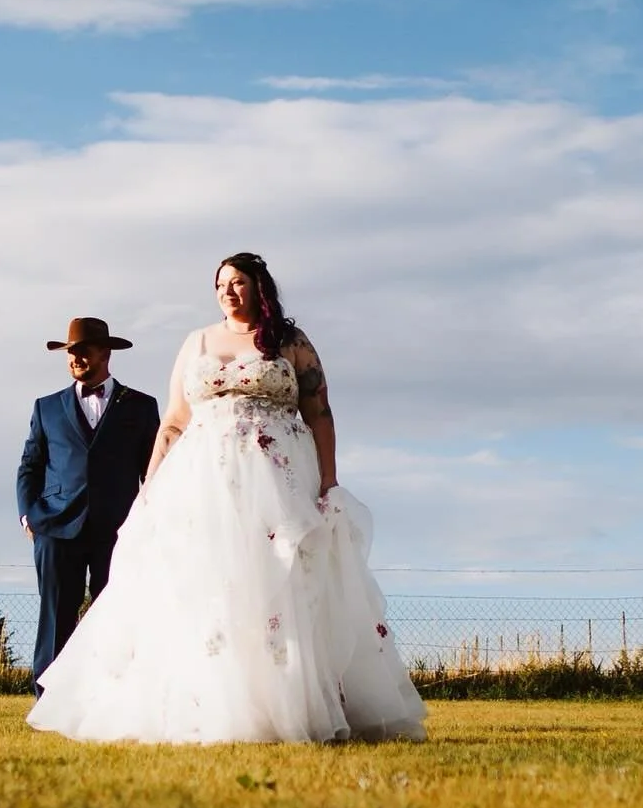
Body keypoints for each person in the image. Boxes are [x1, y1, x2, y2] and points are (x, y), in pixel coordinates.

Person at [27, 252, 425, 744]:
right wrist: (150, 488)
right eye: (220, 284)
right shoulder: (197, 342)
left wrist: (328, 482)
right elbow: (174, 420)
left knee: (278, 583)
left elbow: (320, 413)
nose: (228, 292)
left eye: (237, 282)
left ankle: (292, 704)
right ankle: (208, 705)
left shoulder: (291, 343)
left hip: (277, 481)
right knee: (207, 583)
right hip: (204, 481)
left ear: (259, 287)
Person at [16, 316, 160, 693]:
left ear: (106, 352)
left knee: (115, 613)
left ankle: (113, 694)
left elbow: (153, 469)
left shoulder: (141, 406)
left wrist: (152, 519)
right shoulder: (46, 407)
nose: (76, 358)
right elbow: (30, 465)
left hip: (117, 527)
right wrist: (28, 514)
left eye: (83, 350)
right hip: (56, 527)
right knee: (55, 617)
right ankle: (47, 698)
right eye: (69, 352)